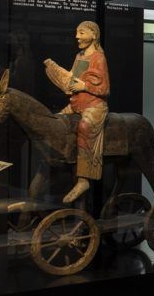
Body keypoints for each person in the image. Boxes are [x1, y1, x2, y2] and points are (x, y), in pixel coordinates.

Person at [44, 21, 110, 203]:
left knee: (85, 126)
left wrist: (85, 86)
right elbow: (72, 79)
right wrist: (58, 73)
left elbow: (105, 88)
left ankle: (83, 179)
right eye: (77, 33)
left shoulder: (99, 58)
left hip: (94, 106)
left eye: (81, 33)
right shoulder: (79, 56)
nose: (77, 37)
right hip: (76, 104)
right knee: (55, 121)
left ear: (94, 35)